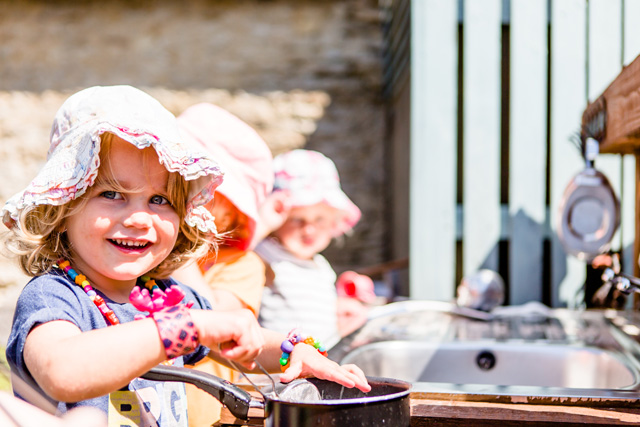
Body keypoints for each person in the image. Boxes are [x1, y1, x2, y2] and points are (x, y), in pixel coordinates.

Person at [1, 86, 370, 426]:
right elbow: (62, 371)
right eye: (112, 194)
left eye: (160, 200)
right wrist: (184, 328)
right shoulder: (55, 296)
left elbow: (246, 340)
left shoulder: (165, 296)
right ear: (64, 206)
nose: (138, 218)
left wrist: (295, 351)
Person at [171, 102, 274, 426]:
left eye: (207, 191)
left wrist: (178, 250)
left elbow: (215, 322)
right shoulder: (142, 256)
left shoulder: (242, 265)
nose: (188, 199)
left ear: (234, 213)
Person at [255, 149, 370, 345]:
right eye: (297, 219)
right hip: (274, 368)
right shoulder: (264, 254)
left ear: (334, 221)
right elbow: (239, 250)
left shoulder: (321, 266)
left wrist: (337, 311)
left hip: (317, 364)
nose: (309, 230)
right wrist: (263, 225)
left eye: (320, 219)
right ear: (276, 219)